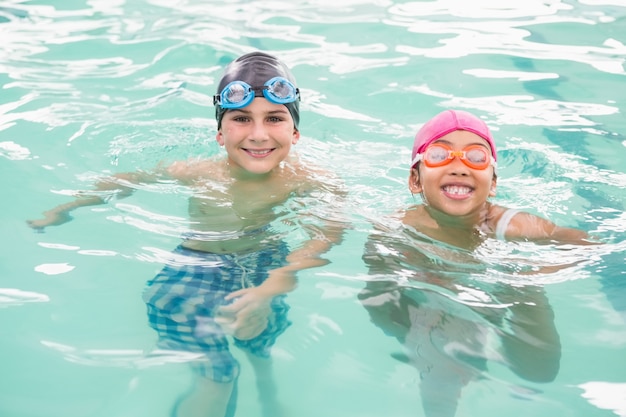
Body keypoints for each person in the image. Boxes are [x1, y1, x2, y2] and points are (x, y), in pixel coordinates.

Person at [28, 51, 346, 417]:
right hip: (194, 272)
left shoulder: (309, 180)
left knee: (258, 343)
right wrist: (63, 210)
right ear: (219, 133)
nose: (258, 135)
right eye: (241, 119)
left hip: (265, 265)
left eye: (274, 118)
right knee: (218, 376)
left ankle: (268, 391)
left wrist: (270, 287)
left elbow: (327, 234)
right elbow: (127, 179)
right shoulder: (199, 172)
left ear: (295, 131)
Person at [358, 109, 595, 417]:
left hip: (499, 289)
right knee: (438, 381)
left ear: (493, 183)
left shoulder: (508, 224)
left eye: (476, 157)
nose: (459, 168)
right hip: (433, 301)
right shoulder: (398, 226)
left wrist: (530, 277)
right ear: (415, 180)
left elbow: (584, 244)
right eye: (440, 154)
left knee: (539, 371)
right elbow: (376, 292)